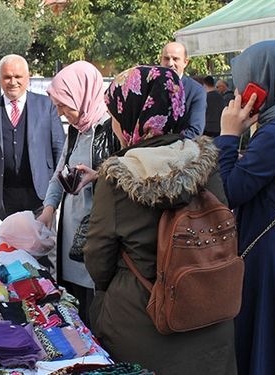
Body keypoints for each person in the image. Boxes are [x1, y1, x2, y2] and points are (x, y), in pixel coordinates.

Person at [84, 65, 236, 374]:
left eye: (115, 113)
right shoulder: (208, 164)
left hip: (142, 324)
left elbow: (98, 259)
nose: (113, 123)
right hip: (210, 316)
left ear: (131, 114)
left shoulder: (118, 178)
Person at [214, 40, 275, 375]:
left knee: (265, 337)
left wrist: (228, 136)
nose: (239, 89)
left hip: (267, 256)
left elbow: (230, 190)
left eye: (245, 80)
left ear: (264, 85)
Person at [36, 61, 118, 325]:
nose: (61, 113)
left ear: (82, 95)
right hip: (72, 231)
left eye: (64, 105)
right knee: (76, 306)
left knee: (97, 309)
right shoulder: (75, 130)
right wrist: (49, 208)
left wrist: (98, 176)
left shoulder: (112, 129)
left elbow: (127, 178)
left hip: (97, 235)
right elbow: (60, 172)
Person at [0, 54, 65, 219]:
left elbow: (59, 148)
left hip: (40, 195)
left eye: (18, 76)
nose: (12, 82)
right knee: (7, 243)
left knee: (41, 242)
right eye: (7, 77)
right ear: (0, 79)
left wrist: (57, 189)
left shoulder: (46, 105)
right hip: (3, 196)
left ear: (28, 77)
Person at [160, 41, 206, 138]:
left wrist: (164, 144)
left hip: (180, 149)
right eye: (166, 58)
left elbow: (195, 131)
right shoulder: (150, 87)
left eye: (175, 59)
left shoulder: (196, 91)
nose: (170, 63)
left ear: (185, 62)